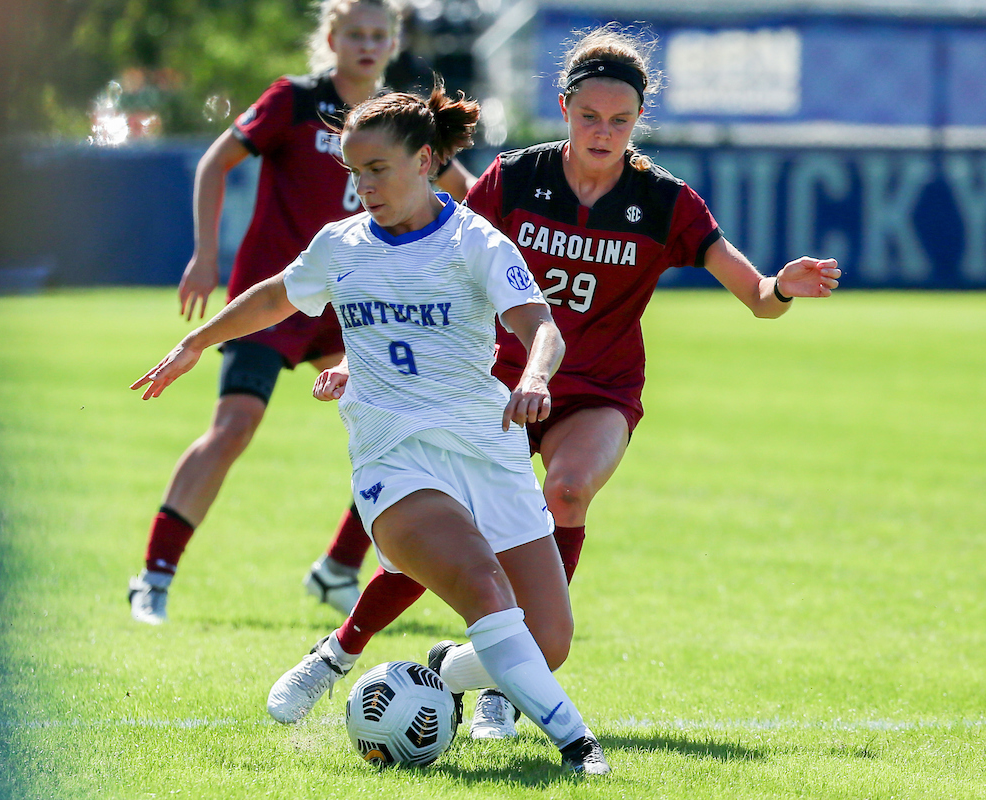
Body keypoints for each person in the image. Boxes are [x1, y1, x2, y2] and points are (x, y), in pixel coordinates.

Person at [266, 21, 841, 740]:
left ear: (639, 120)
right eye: (590, 116)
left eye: (621, 120)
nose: (604, 132)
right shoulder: (516, 177)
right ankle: (338, 652)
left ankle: (504, 682)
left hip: (595, 389)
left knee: (567, 492)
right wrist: (360, 356)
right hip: (493, 386)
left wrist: (781, 287)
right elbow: (425, 259)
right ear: (564, 107)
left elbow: (756, 296)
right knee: (451, 539)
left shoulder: (666, 201)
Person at [132, 83, 610, 776]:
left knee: (549, 639)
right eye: (355, 172)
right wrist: (197, 342)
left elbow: (541, 329)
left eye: (377, 169)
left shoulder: (475, 241)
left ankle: (409, 663)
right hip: (394, 456)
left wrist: (533, 378)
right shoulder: (341, 245)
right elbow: (274, 296)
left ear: (424, 161)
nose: (363, 186)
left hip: (487, 451)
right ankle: (577, 743)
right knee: (482, 584)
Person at [127, 0, 474, 624]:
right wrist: (206, 255)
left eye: (379, 34)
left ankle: (338, 567)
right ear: (332, 37)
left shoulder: (394, 122)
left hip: (353, 308)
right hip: (276, 297)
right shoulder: (294, 99)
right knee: (233, 428)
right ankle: (154, 574)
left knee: (408, 430)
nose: (367, 45)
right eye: (355, 34)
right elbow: (216, 162)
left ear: (392, 41)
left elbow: (464, 193)